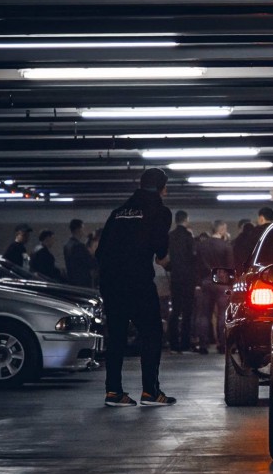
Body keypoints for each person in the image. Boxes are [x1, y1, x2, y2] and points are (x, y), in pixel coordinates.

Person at [95, 167, 176, 407]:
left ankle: (113, 392)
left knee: (117, 336)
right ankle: (150, 392)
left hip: (111, 283)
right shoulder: (160, 211)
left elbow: (100, 252)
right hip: (138, 282)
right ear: (162, 188)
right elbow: (161, 253)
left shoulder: (118, 212)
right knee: (151, 333)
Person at [195, 219, 234, 354]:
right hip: (221, 281)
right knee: (223, 313)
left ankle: (203, 345)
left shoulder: (201, 245)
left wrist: (199, 281)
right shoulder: (226, 246)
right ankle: (222, 345)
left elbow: (197, 265)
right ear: (221, 229)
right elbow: (230, 266)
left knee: (204, 314)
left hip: (206, 281)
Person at [166, 210, 197, 353]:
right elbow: (193, 257)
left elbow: (166, 258)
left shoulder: (170, 236)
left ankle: (173, 343)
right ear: (186, 220)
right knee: (187, 311)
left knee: (175, 310)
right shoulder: (188, 236)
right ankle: (185, 343)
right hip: (188, 278)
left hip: (175, 278)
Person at [64, 219, 97, 288]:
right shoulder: (79, 246)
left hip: (72, 280)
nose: (83, 231)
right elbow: (90, 263)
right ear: (78, 230)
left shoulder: (67, 245)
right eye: (82, 228)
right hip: (82, 281)